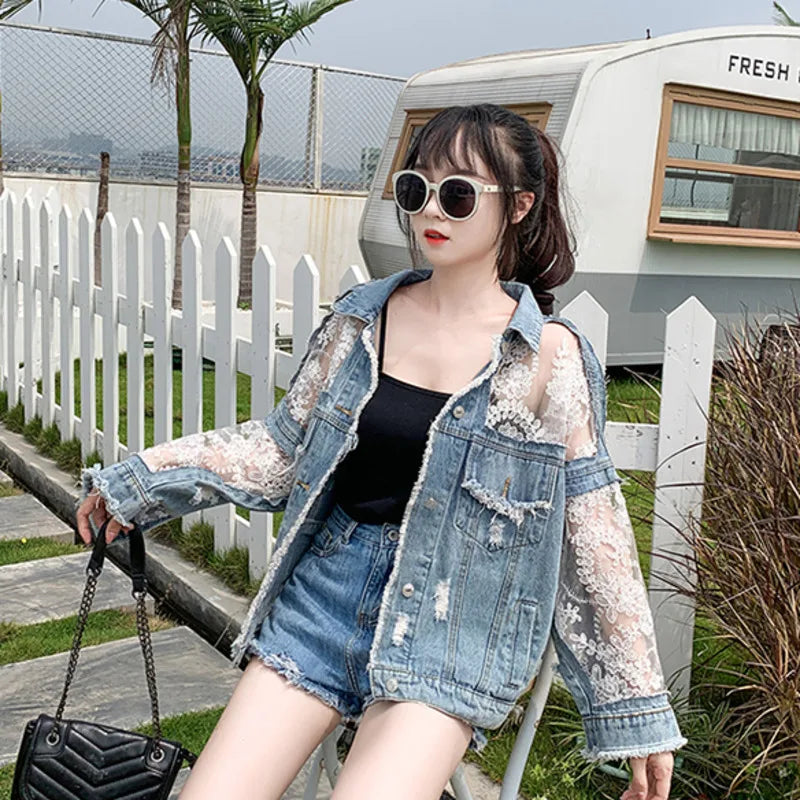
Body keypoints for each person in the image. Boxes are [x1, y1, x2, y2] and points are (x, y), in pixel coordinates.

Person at [75, 104, 687, 800]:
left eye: (459, 194)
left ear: (518, 206)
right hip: (325, 599)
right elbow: (282, 448)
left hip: (449, 630)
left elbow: (593, 532)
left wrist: (636, 716)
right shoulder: (361, 321)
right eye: (416, 188)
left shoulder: (546, 359)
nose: (432, 211)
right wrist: (141, 483)